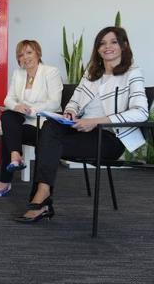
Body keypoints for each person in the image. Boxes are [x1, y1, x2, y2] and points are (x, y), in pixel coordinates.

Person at [16, 27, 148, 223]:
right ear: (97, 48)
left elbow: (141, 112)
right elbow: (75, 102)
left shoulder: (132, 73)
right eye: (102, 43)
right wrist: (70, 113)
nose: (107, 47)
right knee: (50, 126)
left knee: (48, 142)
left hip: (109, 137)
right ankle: (43, 195)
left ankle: (42, 198)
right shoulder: (92, 73)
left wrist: (93, 122)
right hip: (81, 130)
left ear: (124, 46)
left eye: (113, 42)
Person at [0, 40, 63, 197]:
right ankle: (16, 156)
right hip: (25, 119)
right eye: (21, 55)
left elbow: (55, 102)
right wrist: (16, 107)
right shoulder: (18, 73)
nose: (25, 57)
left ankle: (5, 181)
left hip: (45, 123)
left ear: (38, 54)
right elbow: (8, 99)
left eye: (29, 52)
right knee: (8, 116)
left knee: (10, 132)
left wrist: (30, 110)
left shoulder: (51, 72)